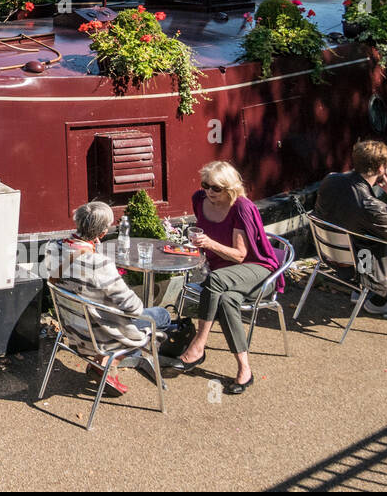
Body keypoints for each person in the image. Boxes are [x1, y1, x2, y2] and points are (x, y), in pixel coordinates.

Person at [167, 161, 281, 394]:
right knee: (227, 300)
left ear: (230, 188)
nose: (209, 191)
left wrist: (208, 243)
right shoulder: (199, 199)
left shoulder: (241, 207)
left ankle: (198, 344)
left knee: (216, 280)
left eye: (216, 188)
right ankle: (245, 369)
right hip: (223, 275)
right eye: (206, 185)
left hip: (257, 270)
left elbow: (240, 256)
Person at [42, 200, 172, 396]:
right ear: (102, 234)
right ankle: (111, 361)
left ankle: (103, 363)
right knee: (161, 316)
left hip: (72, 329)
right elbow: (134, 308)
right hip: (100, 336)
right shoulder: (99, 264)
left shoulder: (52, 248)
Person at [313, 139, 387, 319]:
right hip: (361, 265)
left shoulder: (331, 180)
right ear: (382, 168)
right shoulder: (370, 205)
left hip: (332, 256)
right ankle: (381, 301)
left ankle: (363, 292)